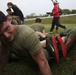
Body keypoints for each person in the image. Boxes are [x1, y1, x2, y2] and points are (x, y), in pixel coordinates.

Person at [0, 11, 52, 75]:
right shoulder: (3, 38)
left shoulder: (26, 34)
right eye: (1, 34)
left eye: (6, 29)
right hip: (26, 54)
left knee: (54, 46)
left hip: (48, 54)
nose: (6, 36)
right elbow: (4, 54)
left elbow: (43, 62)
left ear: (9, 19)